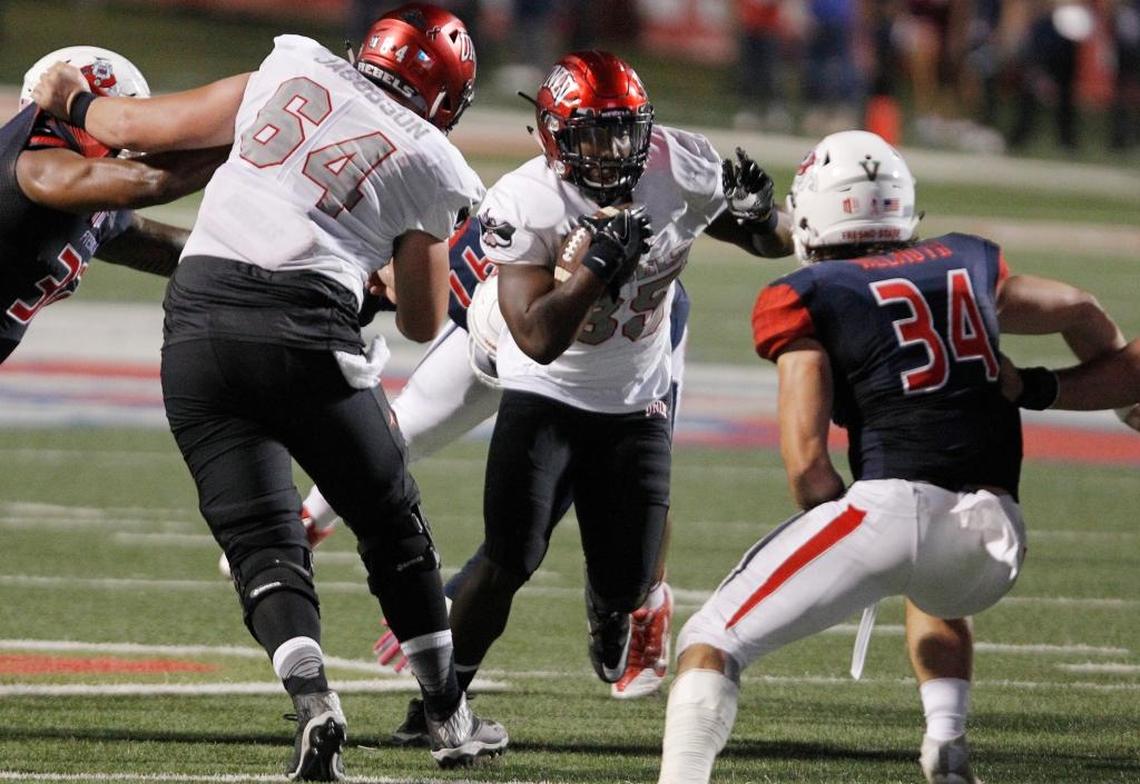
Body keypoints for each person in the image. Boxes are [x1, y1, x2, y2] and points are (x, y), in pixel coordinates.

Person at [33, 4, 507, 779]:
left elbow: (150, 126)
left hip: (196, 328)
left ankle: (314, 701)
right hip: (306, 336)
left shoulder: (294, 66)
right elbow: (423, 320)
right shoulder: (435, 160)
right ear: (447, 92)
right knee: (391, 524)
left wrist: (73, 101)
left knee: (261, 540)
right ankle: (450, 718)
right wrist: (378, 278)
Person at [656, 129, 1136, 784]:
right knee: (932, 585)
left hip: (891, 512)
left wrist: (849, 543)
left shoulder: (811, 293)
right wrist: (1064, 390)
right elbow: (1080, 308)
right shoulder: (966, 264)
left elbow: (807, 467)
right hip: (996, 538)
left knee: (710, 640)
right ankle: (947, 745)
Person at [408, 49, 791, 741]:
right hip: (545, 392)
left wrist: (764, 218)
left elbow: (760, 238)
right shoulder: (527, 199)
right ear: (555, 134)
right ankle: (435, 709)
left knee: (631, 584)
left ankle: (609, 607)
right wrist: (596, 268)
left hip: (636, 398)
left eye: (624, 130)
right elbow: (536, 335)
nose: (613, 150)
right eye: (593, 133)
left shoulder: (683, 166)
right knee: (507, 560)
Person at [1, 46, 223, 365]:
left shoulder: (82, 197)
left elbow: (171, 251)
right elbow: (152, 181)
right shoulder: (35, 167)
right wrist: (251, 130)